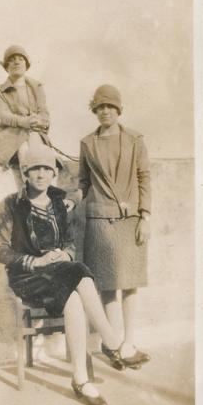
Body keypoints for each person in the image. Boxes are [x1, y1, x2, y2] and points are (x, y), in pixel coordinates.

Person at [0, 144, 127, 405]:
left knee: (75, 288)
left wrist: (65, 254)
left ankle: (82, 378)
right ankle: (112, 344)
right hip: (26, 276)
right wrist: (35, 260)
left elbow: (69, 241)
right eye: (34, 169)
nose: (41, 174)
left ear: (54, 172)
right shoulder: (11, 204)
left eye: (47, 168)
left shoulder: (59, 201)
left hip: (57, 271)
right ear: (25, 174)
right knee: (76, 284)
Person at [78, 84, 151, 370]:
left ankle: (129, 343)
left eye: (110, 106)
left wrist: (145, 217)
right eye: (100, 107)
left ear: (119, 109)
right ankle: (115, 343)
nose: (105, 111)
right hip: (99, 221)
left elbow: (144, 178)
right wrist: (77, 197)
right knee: (108, 286)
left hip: (131, 220)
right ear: (94, 110)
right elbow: (83, 181)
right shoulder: (87, 143)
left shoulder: (135, 140)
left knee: (131, 284)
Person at [0, 45, 52, 186]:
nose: (17, 62)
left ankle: (39, 195)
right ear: (6, 66)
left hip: (35, 134)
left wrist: (40, 121)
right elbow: (5, 116)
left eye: (20, 59)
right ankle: (28, 195)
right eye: (12, 60)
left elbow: (44, 113)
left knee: (43, 157)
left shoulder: (37, 86)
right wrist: (25, 122)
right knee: (24, 149)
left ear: (26, 64)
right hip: (11, 137)